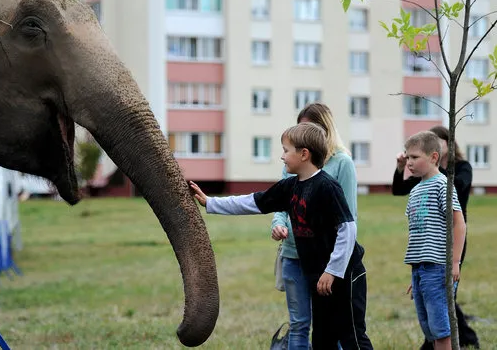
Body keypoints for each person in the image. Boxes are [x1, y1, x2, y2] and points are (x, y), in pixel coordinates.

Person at [190, 122, 373, 349]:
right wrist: (211, 202)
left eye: (286, 150)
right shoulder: (290, 187)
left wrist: (332, 270)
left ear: (304, 154)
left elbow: (348, 228)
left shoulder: (327, 186)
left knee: (351, 336)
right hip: (319, 279)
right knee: (323, 340)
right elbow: (253, 202)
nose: (282, 157)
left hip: (345, 275)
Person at [271, 103, 357, 350]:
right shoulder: (292, 161)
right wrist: (278, 224)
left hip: (326, 262)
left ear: (326, 129)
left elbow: (349, 220)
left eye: (311, 128)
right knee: (298, 325)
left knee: (331, 326)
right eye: (301, 128)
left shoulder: (342, 163)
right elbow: (280, 203)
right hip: (293, 256)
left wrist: (336, 267)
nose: (305, 135)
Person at [392, 126, 479, 349]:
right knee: (429, 328)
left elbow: (459, 222)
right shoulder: (416, 190)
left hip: (439, 266)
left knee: (441, 329)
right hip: (421, 268)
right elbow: (419, 232)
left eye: (414, 157)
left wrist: (455, 261)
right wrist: (417, 272)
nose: (409, 162)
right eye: (407, 156)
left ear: (433, 157)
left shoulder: (443, 185)